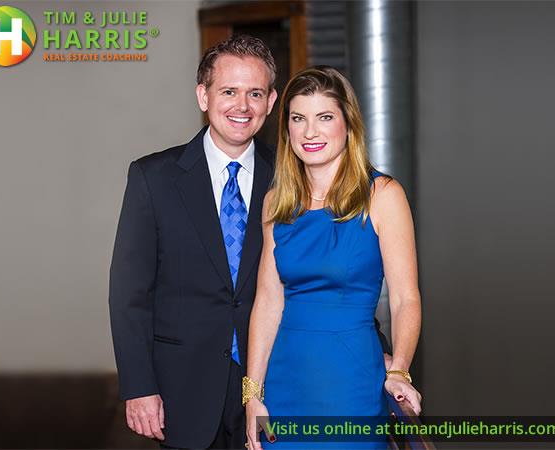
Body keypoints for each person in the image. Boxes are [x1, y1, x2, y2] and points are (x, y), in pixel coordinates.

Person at [109, 36, 393, 449]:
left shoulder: (293, 177)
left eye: (255, 93)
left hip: (278, 383)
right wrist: (139, 387)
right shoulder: (153, 178)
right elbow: (129, 294)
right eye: (229, 91)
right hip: (182, 390)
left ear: (272, 101)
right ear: (203, 96)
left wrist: (377, 349)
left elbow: (336, 267)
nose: (242, 106)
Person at [244, 66, 422, 450]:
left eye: (324, 117)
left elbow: (405, 298)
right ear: (287, 128)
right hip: (284, 382)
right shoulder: (276, 203)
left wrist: (400, 371)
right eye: (298, 119)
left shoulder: (383, 196)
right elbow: (268, 301)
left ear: (348, 124)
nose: (310, 132)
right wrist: (252, 394)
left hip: (351, 381)